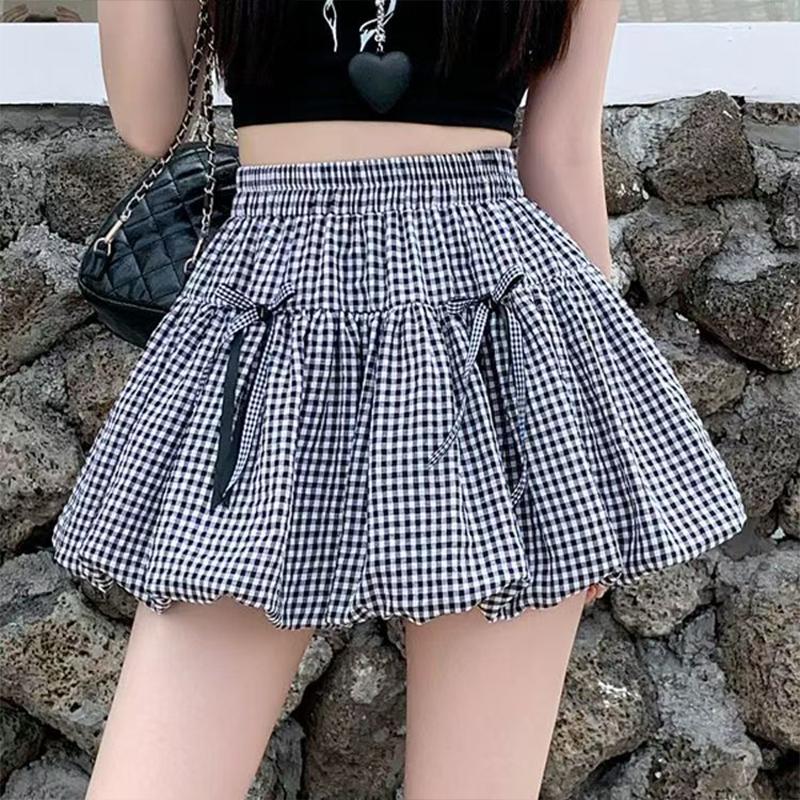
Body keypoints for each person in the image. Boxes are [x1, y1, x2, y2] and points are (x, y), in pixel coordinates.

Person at [50, 1, 747, 798]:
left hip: (494, 329)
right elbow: (150, 121)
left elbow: (558, 150)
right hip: (274, 310)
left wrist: (587, 453)